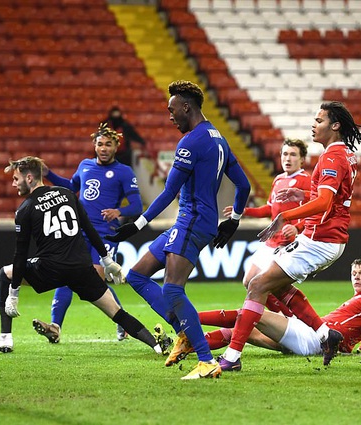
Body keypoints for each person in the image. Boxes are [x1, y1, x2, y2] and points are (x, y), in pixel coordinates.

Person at [106, 80, 252, 379]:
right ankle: (184, 332)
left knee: (172, 289)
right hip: (199, 221)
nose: (170, 116)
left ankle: (206, 359)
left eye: (172, 110)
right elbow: (244, 184)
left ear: (187, 107)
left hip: (192, 220)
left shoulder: (191, 142)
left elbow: (168, 191)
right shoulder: (219, 138)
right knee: (137, 274)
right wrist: (234, 219)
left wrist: (137, 224)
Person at [218, 101, 361, 372]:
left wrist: (287, 217)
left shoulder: (332, 157)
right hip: (325, 238)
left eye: (319, 121)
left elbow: (324, 202)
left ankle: (231, 358)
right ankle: (326, 334)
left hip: (321, 239)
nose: (313, 125)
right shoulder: (345, 154)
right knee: (272, 285)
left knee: (256, 286)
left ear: (335, 126)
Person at [0, 156, 164, 356]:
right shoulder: (67, 194)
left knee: (4, 273)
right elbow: (89, 229)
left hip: (50, 270)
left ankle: (5, 338)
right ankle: (157, 346)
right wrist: (107, 260)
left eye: (16, 178)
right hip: (82, 270)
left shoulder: (25, 209)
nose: (13, 183)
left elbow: (21, 254)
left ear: (29, 178)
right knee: (117, 312)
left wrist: (13, 293)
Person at [33, 123, 144, 343]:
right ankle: (55, 326)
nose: (103, 148)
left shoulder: (124, 172)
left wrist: (118, 211)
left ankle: (123, 321)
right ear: (94, 146)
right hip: (78, 231)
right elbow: (71, 186)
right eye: (100, 144)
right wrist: (49, 174)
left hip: (104, 234)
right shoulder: (84, 166)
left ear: (116, 147)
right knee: (67, 275)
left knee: (94, 279)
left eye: (108, 144)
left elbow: (137, 205)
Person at [183, 256, 361, 362]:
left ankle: (188, 318)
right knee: (244, 330)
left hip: (312, 338)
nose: (357, 277)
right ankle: (189, 344)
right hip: (307, 337)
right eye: (354, 273)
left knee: (248, 314)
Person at [223, 138, 311, 291]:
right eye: (285, 154)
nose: (288, 158)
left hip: (289, 243)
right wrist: (244, 211)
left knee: (268, 286)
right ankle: (282, 315)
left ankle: (285, 315)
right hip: (271, 241)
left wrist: (297, 228)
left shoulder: (306, 180)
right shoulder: (278, 179)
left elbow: (315, 212)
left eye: (293, 154)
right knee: (249, 281)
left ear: (302, 159)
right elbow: (270, 209)